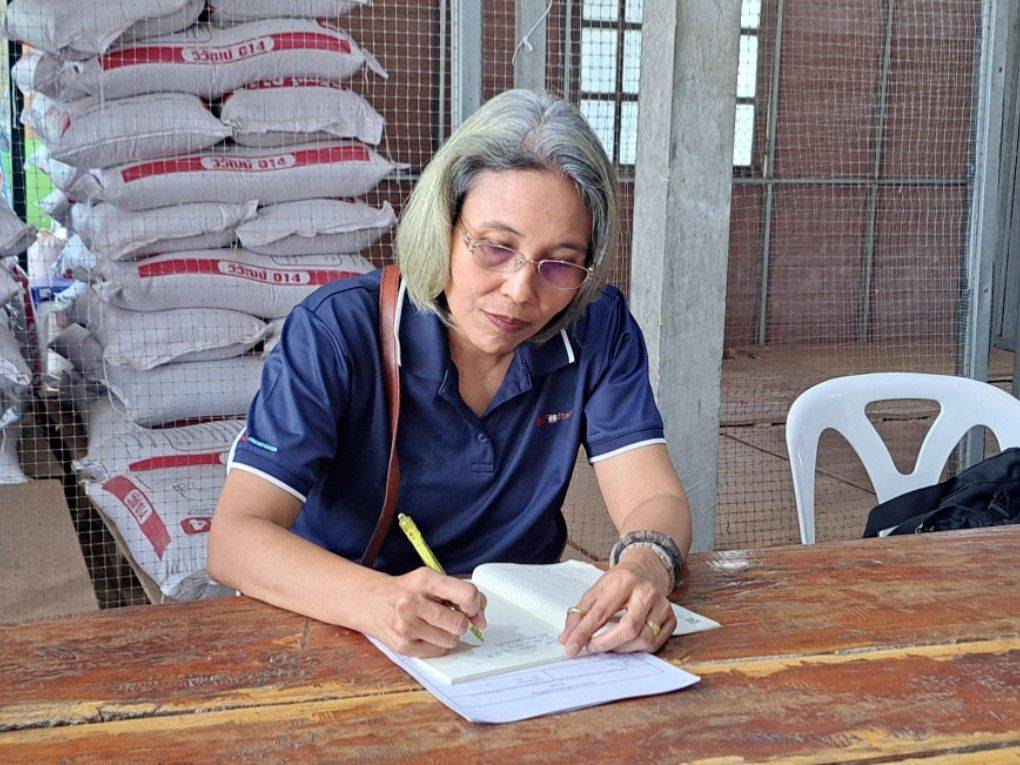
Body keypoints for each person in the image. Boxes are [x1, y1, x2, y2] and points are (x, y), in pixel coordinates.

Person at [207, 89, 692, 660]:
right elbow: (235, 539)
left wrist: (646, 566)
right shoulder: (335, 331)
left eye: (560, 263)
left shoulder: (597, 326)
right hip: (340, 626)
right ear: (443, 225)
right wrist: (377, 601)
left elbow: (654, 495)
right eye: (496, 247)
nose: (521, 291)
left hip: (524, 643)